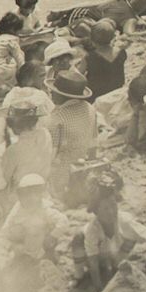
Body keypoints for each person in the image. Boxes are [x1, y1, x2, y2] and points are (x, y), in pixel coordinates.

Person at [78, 184, 146, 292]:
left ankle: (113, 264)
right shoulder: (92, 229)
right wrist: (99, 290)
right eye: (105, 208)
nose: (111, 212)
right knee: (103, 267)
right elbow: (93, 261)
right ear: (96, 213)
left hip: (119, 247)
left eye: (113, 205)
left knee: (118, 264)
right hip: (101, 251)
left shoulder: (124, 220)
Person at [46, 68, 99, 200]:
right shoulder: (90, 108)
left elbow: (51, 155)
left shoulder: (57, 119)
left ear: (63, 95)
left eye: (54, 91)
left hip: (63, 175)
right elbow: (94, 143)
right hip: (82, 167)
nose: (51, 92)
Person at [83, 20, 127, 99]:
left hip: (97, 95)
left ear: (92, 40)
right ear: (113, 37)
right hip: (116, 91)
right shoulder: (121, 52)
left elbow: (79, 75)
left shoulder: (89, 57)